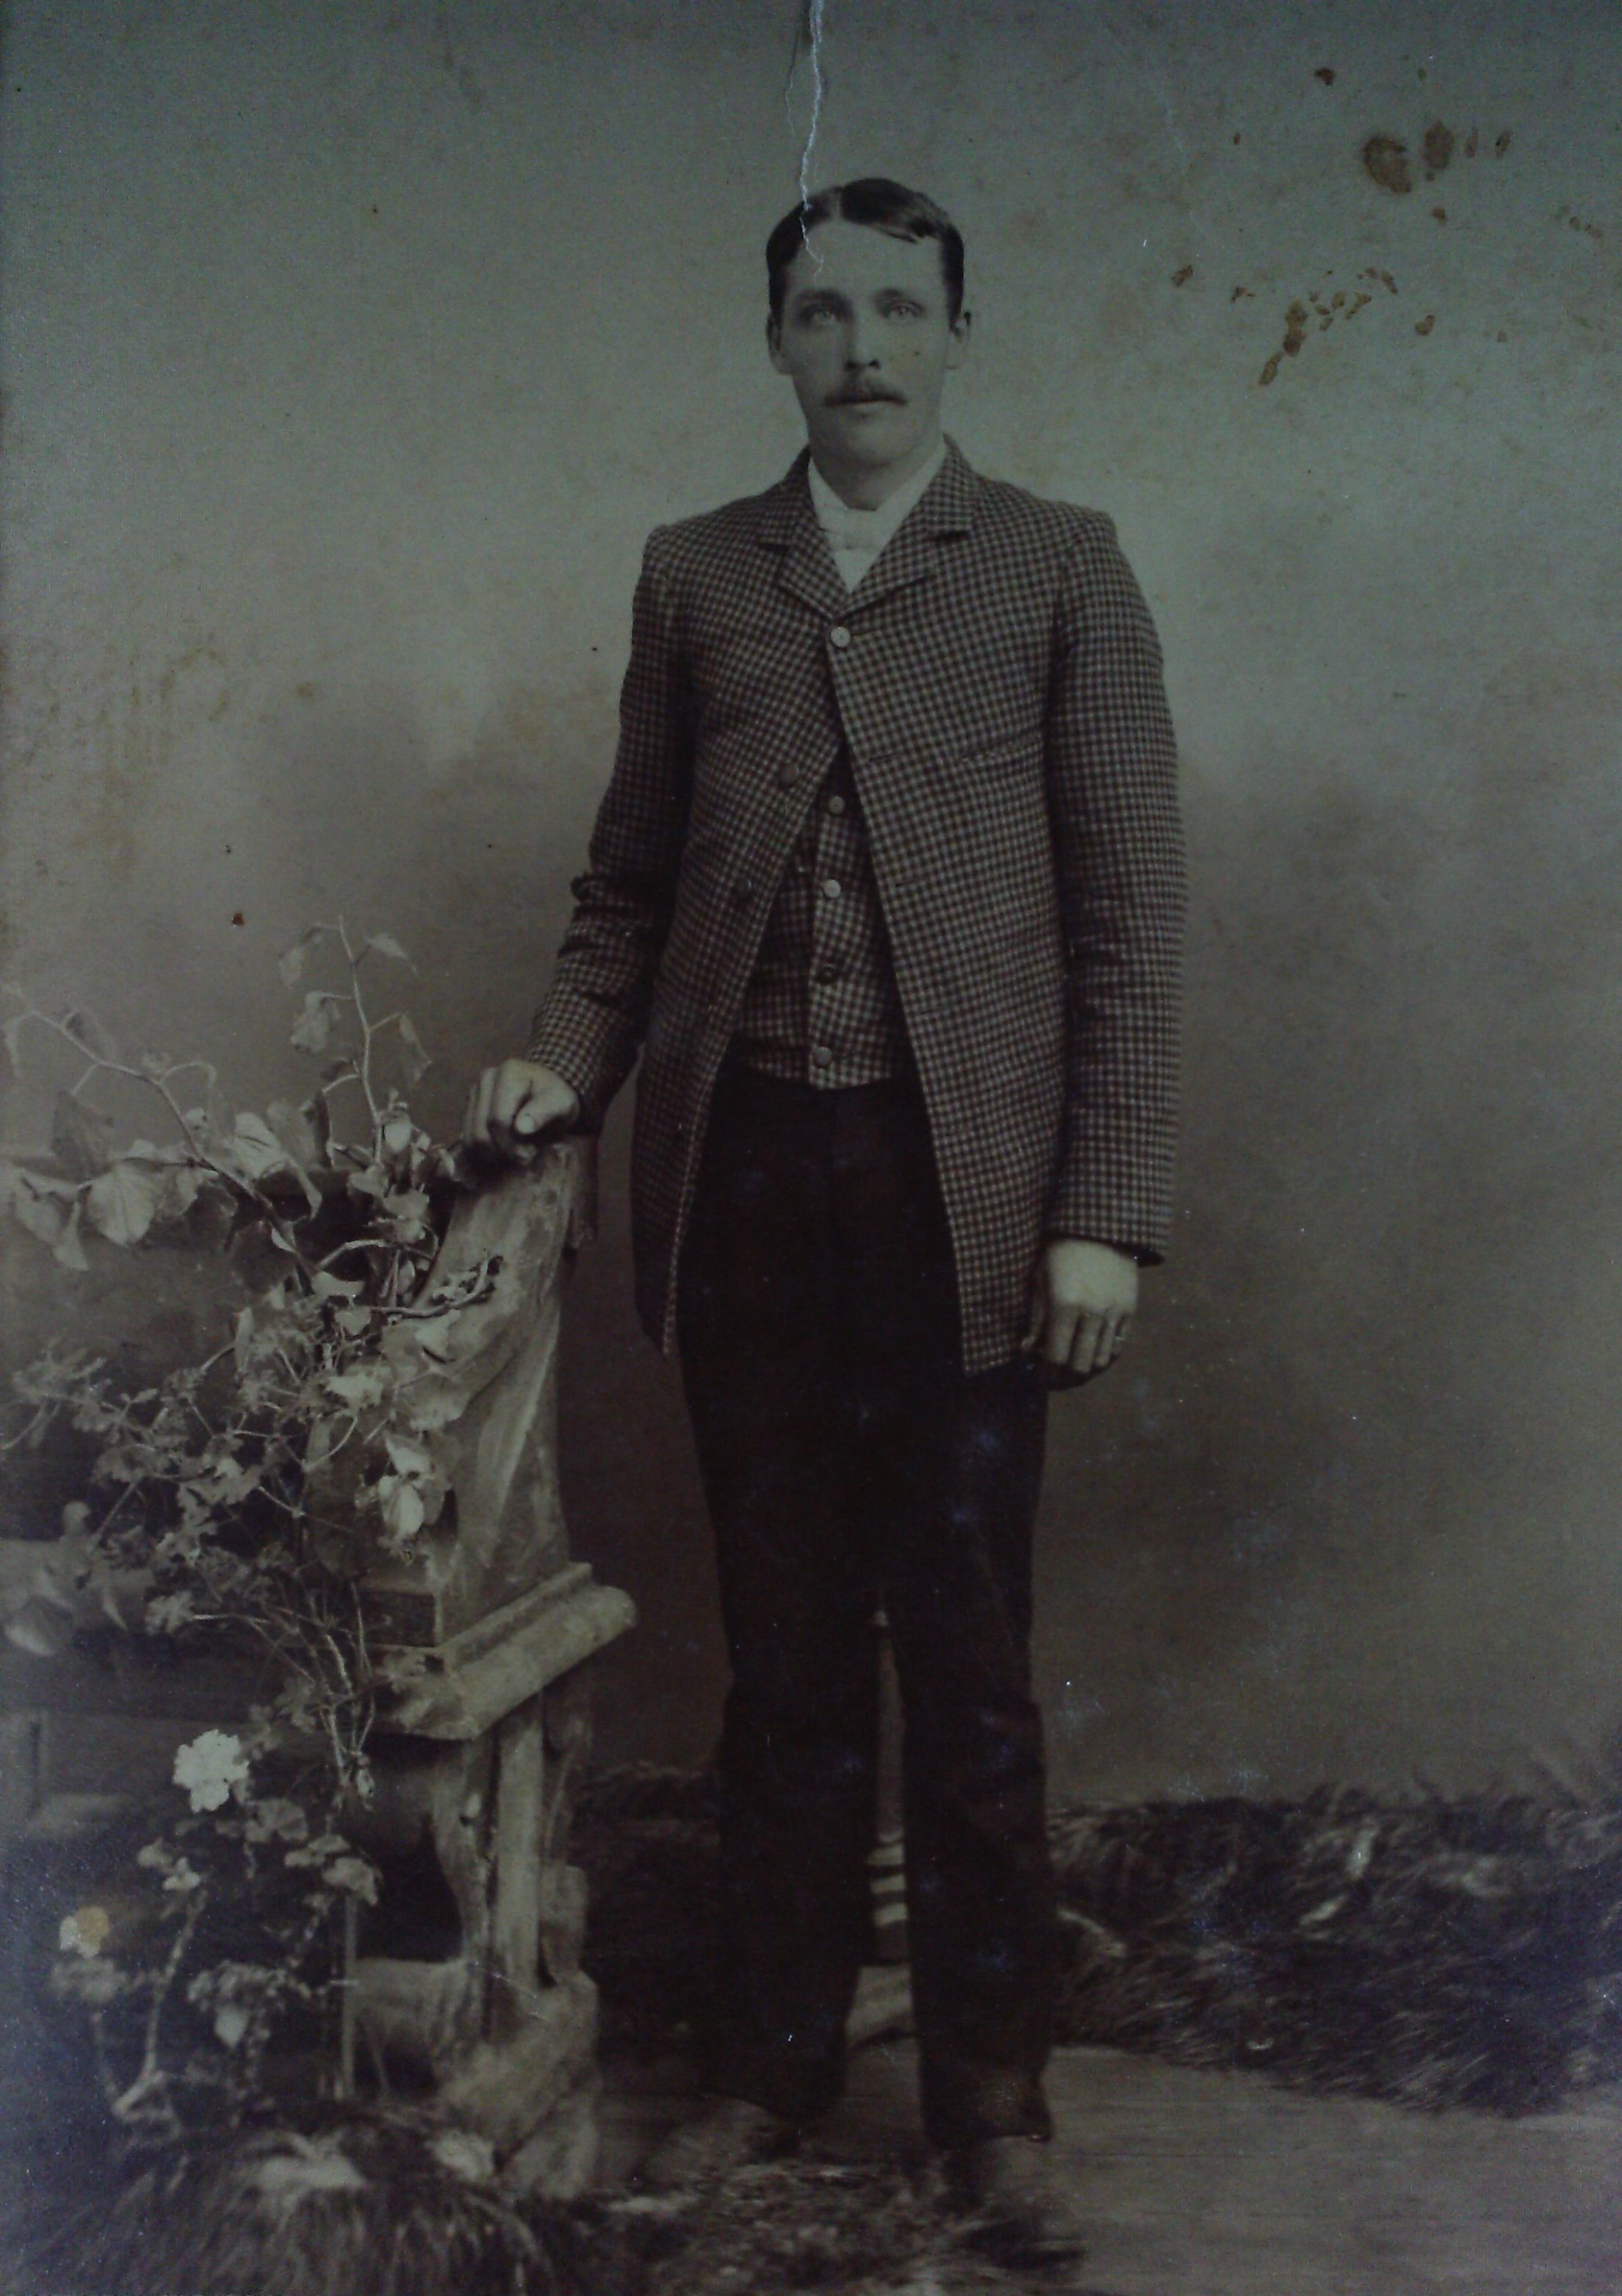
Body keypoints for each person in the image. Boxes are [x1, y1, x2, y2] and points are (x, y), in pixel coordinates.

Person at [466, 176, 1184, 2261]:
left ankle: (993, 2108)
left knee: (966, 1664)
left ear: (956, 331)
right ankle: (767, 2073)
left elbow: (1130, 918)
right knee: (781, 1661)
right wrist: (559, 1067)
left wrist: (1102, 1215)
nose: (862, 347)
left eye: (899, 309)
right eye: (821, 312)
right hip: (753, 1189)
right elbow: (627, 887)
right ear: (776, 339)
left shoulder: (1058, 564)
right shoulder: (701, 573)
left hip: (969, 1201)